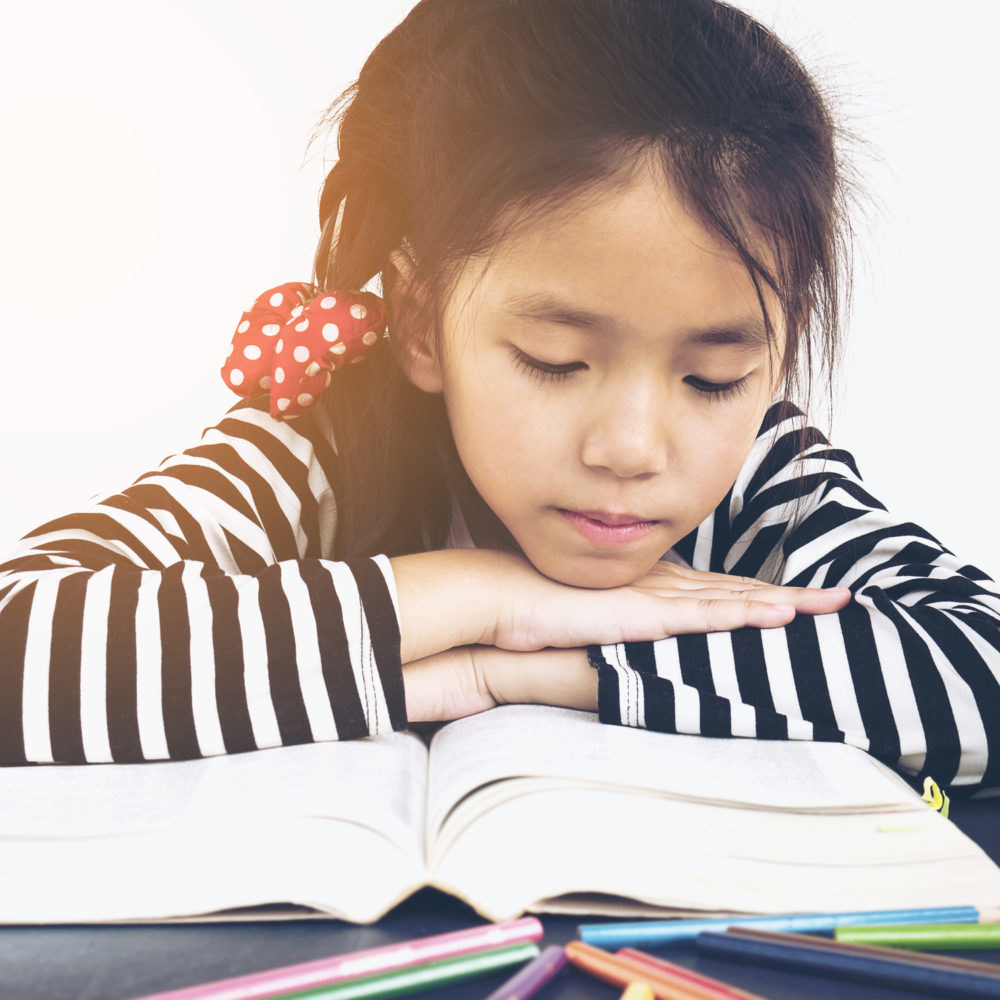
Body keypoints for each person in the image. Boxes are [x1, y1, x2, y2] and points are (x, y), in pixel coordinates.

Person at [0, 0, 997, 798]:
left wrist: (524, 669)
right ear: (424, 324)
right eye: (556, 359)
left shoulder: (761, 479)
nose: (632, 446)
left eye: (712, 377)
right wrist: (485, 598)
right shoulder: (324, 440)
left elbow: (978, 667)